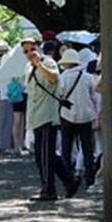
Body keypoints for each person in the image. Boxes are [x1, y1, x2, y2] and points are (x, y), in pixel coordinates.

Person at [22, 36, 79, 201]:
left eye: (31, 49)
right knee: (44, 155)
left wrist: (38, 64)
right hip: (35, 115)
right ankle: (70, 180)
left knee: (46, 156)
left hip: (47, 114)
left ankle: (49, 189)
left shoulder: (48, 62)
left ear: (38, 47)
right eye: (25, 51)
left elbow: (54, 78)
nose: (29, 54)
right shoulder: (27, 67)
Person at [58, 49, 98, 188]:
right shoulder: (87, 77)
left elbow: (60, 95)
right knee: (87, 147)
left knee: (66, 147)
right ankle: (89, 178)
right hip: (86, 115)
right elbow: (93, 96)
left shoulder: (62, 77)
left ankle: (68, 176)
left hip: (67, 115)